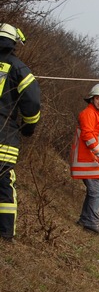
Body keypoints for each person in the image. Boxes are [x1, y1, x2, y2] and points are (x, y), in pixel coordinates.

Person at [0, 24, 41, 242]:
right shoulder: (19, 68)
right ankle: (5, 235)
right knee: (5, 183)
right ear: (14, 42)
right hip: (4, 136)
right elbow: (32, 103)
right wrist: (28, 127)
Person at [71, 83, 99, 235]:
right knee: (97, 190)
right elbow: (88, 136)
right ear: (91, 99)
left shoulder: (95, 115)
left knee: (94, 190)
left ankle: (85, 219)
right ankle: (91, 222)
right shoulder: (88, 114)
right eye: (98, 98)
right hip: (85, 158)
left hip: (89, 157)